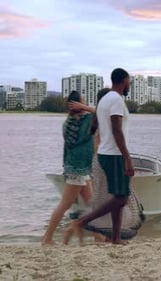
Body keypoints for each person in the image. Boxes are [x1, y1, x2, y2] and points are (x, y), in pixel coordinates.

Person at [64, 68, 134, 245]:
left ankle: (116, 238)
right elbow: (117, 129)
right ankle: (82, 222)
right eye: (129, 81)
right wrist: (127, 157)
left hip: (105, 153)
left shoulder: (105, 100)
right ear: (123, 81)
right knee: (121, 198)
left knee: (117, 198)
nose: (130, 84)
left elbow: (101, 126)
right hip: (114, 154)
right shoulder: (116, 100)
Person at [41, 91, 95, 245]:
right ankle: (47, 238)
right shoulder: (86, 120)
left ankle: (97, 237)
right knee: (65, 204)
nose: (84, 104)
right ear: (78, 104)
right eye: (82, 102)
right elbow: (102, 113)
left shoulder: (68, 123)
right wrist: (85, 107)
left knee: (91, 204)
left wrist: (81, 106)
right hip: (77, 169)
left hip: (79, 168)